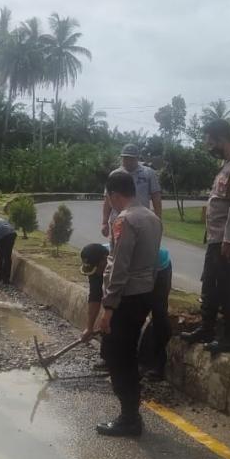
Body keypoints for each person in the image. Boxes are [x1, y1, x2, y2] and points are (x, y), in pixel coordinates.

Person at [94, 171, 162, 436]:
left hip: (126, 297)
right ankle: (131, 414)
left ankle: (129, 417)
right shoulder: (152, 217)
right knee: (128, 353)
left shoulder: (125, 220)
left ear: (112, 195)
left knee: (117, 355)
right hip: (145, 293)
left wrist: (108, 307)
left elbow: (118, 264)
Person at [181, 119, 230, 354]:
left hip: (229, 238)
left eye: (210, 142)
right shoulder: (227, 165)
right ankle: (207, 328)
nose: (208, 147)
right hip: (217, 237)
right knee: (210, 284)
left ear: (222, 139)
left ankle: (227, 337)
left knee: (228, 287)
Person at [80, 242, 172, 381]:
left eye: (98, 268)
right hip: (134, 271)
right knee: (113, 314)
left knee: (158, 313)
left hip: (157, 268)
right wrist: (89, 327)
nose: (97, 273)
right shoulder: (97, 262)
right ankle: (110, 358)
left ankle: (153, 364)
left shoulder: (123, 261)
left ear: (106, 258)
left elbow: (129, 296)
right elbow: (95, 296)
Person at [100, 143, 162, 237]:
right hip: (118, 220)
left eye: (131, 158)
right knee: (117, 249)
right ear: (121, 158)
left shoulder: (148, 173)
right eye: (125, 158)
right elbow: (107, 200)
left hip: (141, 221)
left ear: (137, 158)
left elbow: (156, 198)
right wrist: (104, 223)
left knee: (140, 249)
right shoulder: (114, 175)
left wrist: (157, 221)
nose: (128, 161)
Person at [0, 216, 17, 287]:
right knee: (7, 257)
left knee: (1, 257)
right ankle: (6, 280)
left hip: (3, 235)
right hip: (12, 233)